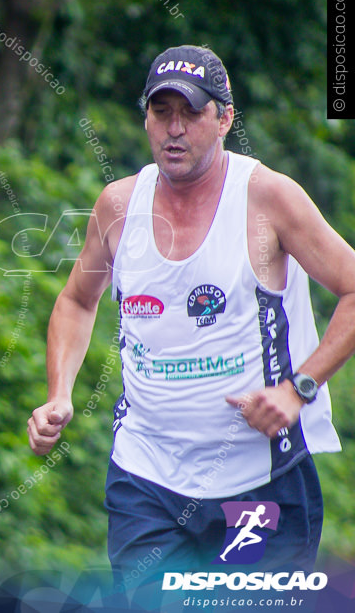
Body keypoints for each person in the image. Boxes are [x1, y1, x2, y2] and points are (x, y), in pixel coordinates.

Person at [27, 45, 355, 585]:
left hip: (258, 477)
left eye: (192, 112)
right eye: (162, 112)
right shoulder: (118, 205)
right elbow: (77, 300)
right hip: (146, 479)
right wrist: (59, 393)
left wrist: (298, 390)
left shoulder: (267, 198)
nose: (174, 129)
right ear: (147, 118)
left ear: (224, 118)